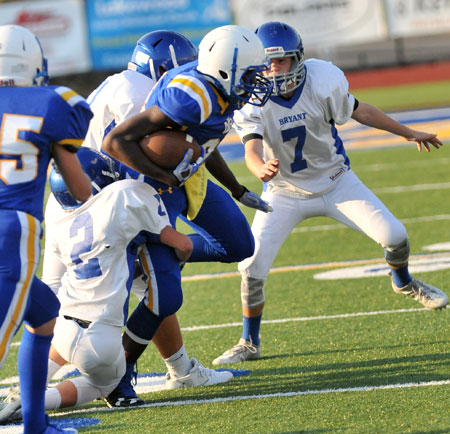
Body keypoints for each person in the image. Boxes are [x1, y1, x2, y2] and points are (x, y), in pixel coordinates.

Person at [212, 21, 449, 365]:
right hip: (284, 193)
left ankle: (404, 281)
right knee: (251, 266)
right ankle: (250, 341)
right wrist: (257, 168)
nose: (274, 70)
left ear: (298, 59)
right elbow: (250, 148)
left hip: (337, 181)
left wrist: (408, 132)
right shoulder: (251, 97)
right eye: (268, 62)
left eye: (282, 61)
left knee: (396, 236)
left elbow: (361, 110)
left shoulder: (322, 78)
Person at [42, 30, 232, 409]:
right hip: (107, 201)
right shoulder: (136, 88)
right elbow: (146, 150)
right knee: (142, 288)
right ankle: (114, 381)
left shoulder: (119, 82)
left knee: (57, 295)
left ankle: (177, 367)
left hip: (67, 196)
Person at [102, 24, 273, 398]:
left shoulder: (224, 94)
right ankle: (120, 371)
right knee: (165, 295)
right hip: (150, 188)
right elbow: (116, 141)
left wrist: (238, 189)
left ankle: (172, 250)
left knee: (240, 244)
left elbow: (202, 146)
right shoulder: (191, 97)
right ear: (226, 70)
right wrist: (163, 176)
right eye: (251, 74)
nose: (258, 81)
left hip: (185, 178)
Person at [0, 148, 200, 423]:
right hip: (101, 337)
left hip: (64, 324)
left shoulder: (57, 213)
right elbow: (184, 245)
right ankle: (34, 402)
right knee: (102, 385)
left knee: (62, 343)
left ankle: (23, 390)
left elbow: (53, 281)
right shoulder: (123, 195)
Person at [0, 24, 92, 433]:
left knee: (45, 316)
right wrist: (61, 151)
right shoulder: (51, 103)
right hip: (10, 232)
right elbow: (80, 189)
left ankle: (36, 425)